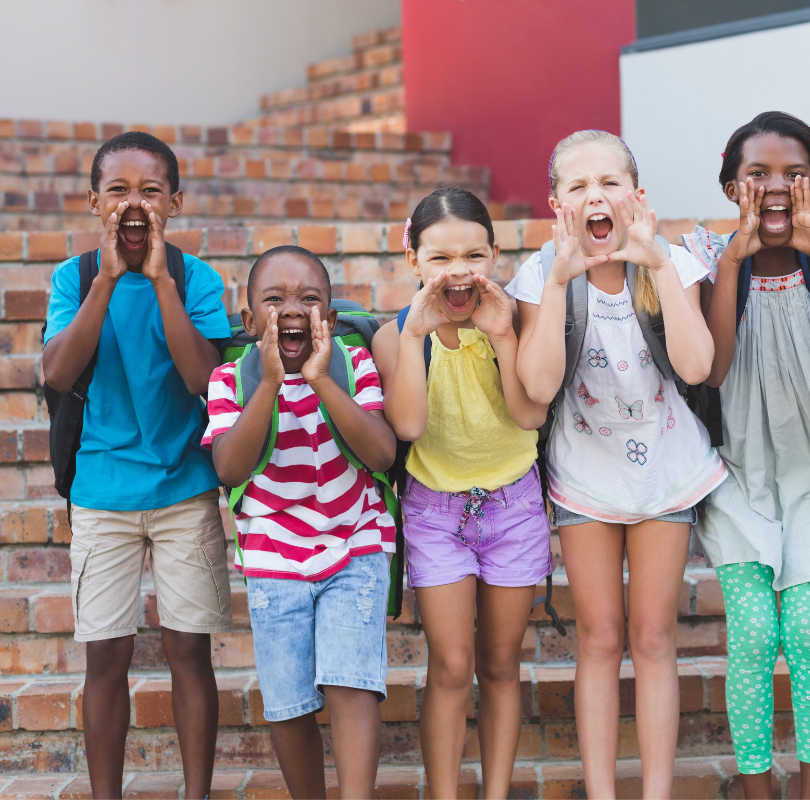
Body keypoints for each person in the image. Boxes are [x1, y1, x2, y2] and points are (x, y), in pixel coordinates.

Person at [508, 129, 725, 797]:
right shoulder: (540, 275)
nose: (594, 196)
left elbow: (697, 366)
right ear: (557, 206)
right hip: (585, 473)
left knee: (654, 636)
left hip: (666, 467)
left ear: (637, 198)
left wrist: (657, 261)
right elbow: (538, 387)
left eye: (609, 183)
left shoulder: (673, 266)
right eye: (577, 186)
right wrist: (559, 282)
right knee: (600, 637)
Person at [683, 111, 810, 800]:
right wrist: (732, 259)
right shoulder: (705, 258)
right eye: (757, 174)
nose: (775, 188)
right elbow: (715, 367)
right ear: (730, 185)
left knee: (808, 631)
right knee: (756, 634)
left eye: (794, 174)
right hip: (740, 476)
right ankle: (760, 791)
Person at [41, 131, 232, 800]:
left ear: (174, 202)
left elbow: (204, 376)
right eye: (118, 189)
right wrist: (107, 283)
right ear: (95, 202)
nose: (134, 202)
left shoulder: (194, 278)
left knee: (188, 651)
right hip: (101, 490)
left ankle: (197, 793)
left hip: (184, 488)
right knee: (106, 656)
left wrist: (157, 281)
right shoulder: (73, 279)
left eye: (150, 190)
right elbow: (59, 372)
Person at [372, 187, 552, 798]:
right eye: (440, 257)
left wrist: (504, 338)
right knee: (451, 666)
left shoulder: (513, 320)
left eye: (474, 256)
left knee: (500, 665)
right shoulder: (395, 336)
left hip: (514, 506)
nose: (459, 272)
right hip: (436, 512)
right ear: (412, 258)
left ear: (495, 255)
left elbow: (529, 415)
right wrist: (414, 338)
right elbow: (409, 428)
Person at [203, 245, 397, 800]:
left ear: (329, 321)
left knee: (352, 684)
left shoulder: (352, 365)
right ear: (249, 321)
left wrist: (321, 380)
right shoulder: (229, 380)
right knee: (287, 702)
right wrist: (267, 384)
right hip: (272, 556)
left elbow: (381, 455)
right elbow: (230, 467)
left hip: (354, 544)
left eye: (309, 299)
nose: (293, 308)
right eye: (275, 299)